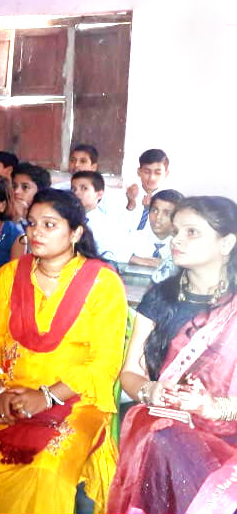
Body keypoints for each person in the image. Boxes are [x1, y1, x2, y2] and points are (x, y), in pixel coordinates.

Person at [0, 189, 129, 514]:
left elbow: (104, 364)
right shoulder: (7, 276)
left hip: (73, 400)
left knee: (44, 472)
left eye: (49, 225)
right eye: (32, 223)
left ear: (75, 233)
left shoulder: (103, 285)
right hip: (5, 393)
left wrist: (46, 397)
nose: (35, 232)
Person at [109, 196, 237, 514]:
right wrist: (149, 390)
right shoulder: (159, 299)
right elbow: (130, 373)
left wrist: (214, 407)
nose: (176, 239)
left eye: (192, 232)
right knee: (166, 440)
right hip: (164, 420)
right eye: (176, 230)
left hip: (229, 429)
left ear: (227, 243)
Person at [124, 189, 182, 268]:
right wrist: (132, 258)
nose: (158, 217)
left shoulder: (183, 245)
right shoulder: (135, 237)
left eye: (166, 213)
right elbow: (109, 254)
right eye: (154, 210)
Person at [71, 170, 119, 261]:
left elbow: (107, 255)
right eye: (73, 189)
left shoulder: (105, 224)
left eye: (84, 188)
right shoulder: (67, 218)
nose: (76, 193)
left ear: (99, 194)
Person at [125, 148, 170, 232]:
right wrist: (131, 204)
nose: (152, 178)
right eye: (147, 172)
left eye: (158, 173)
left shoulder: (170, 201)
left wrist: (151, 209)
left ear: (166, 174)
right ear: (139, 172)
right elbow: (117, 229)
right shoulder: (128, 194)